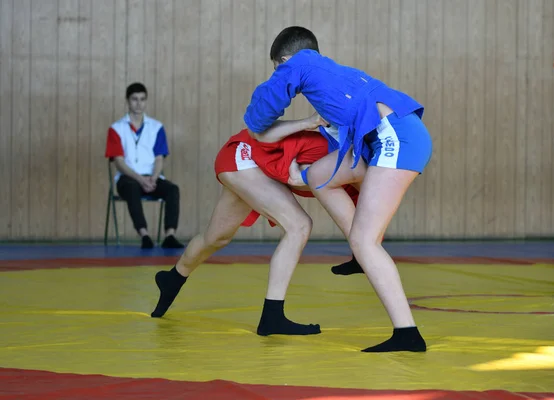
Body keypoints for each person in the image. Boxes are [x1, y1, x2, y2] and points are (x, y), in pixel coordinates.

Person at [244, 27, 432, 352]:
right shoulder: (334, 73)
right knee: (319, 175)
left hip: (394, 138)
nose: (281, 72)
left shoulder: (300, 64)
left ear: (285, 59)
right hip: (386, 136)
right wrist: (299, 176)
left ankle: (407, 332)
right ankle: (361, 253)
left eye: (279, 67)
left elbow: (262, 111)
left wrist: (255, 124)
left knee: (365, 239)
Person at [150, 113, 362, 336]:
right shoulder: (341, 155)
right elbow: (297, 170)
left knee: (216, 237)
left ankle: (173, 278)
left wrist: (360, 257)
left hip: (251, 163)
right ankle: (272, 317)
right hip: (246, 157)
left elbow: (357, 225)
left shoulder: (353, 174)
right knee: (298, 226)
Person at [105, 82, 185, 249]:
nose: (139, 103)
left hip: (152, 178)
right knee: (132, 188)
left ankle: (170, 235)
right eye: (134, 99)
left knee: (172, 189)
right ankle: (145, 235)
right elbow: (119, 162)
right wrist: (141, 179)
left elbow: (159, 158)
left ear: (146, 101)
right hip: (128, 179)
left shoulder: (156, 127)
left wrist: (154, 178)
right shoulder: (116, 128)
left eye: (142, 99)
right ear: (127, 101)